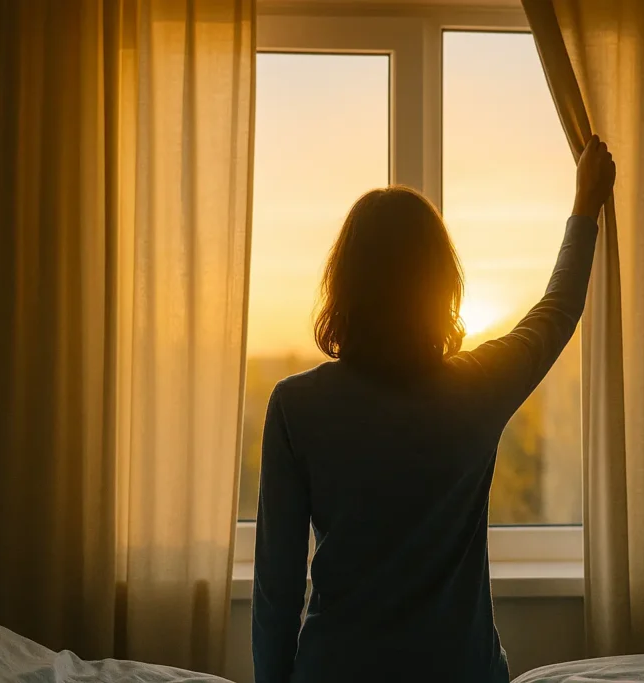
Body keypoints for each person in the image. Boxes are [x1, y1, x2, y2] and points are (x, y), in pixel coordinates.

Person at [252, 136, 616, 683]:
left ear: (343, 288)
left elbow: (277, 591)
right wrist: (585, 204)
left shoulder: (296, 406)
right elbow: (558, 310)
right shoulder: (478, 387)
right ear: (442, 286)